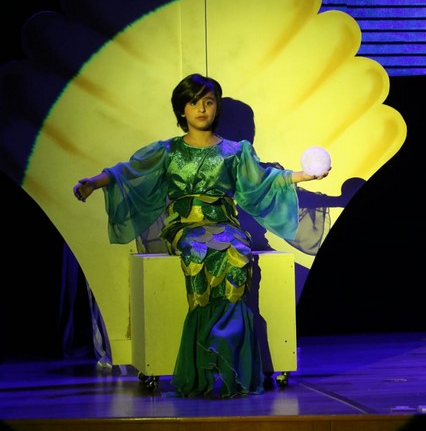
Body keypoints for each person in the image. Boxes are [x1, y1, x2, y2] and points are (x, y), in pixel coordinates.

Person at [73, 73, 330, 398]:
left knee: (237, 255)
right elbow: (128, 172)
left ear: (216, 107)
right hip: (184, 225)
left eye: (208, 102)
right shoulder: (168, 151)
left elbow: (264, 180)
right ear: (182, 109)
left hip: (224, 224)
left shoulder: (234, 151)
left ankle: (232, 362)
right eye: (194, 102)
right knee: (197, 252)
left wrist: (306, 175)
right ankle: (202, 359)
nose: (202, 109)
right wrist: (93, 183)